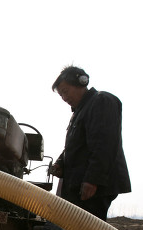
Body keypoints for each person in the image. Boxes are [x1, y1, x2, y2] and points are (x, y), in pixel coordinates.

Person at [51, 65, 131, 221]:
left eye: (65, 92)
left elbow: (103, 144)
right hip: (80, 186)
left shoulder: (101, 101)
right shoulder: (80, 111)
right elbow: (76, 145)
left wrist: (92, 180)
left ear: (81, 82)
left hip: (93, 188)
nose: (64, 98)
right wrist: (61, 162)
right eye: (61, 95)